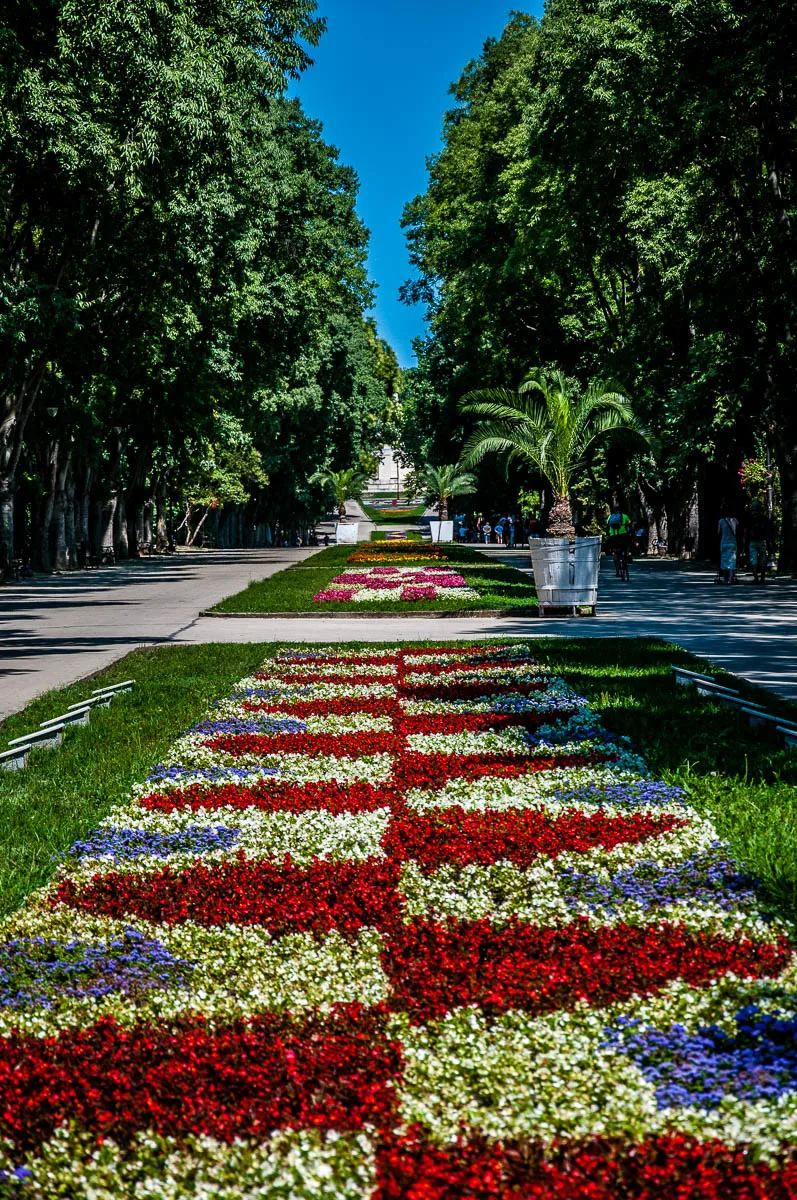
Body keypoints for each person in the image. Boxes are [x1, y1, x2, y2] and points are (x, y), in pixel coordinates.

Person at [746, 500, 773, 584]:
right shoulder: (764, 518)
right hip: (762, 541)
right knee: (762, 560)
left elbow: (746, 531)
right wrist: (769, 543)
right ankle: (762, 578)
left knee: (754, 560)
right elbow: (768, 532)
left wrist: (745, 543)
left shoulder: (749, 518)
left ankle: (755, 577)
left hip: (753, 541)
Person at [606, 504, 632, 579]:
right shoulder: (624, 516)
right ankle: (628, 554)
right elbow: (629, 524)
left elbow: (607, 524)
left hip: (613, 536)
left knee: (615, 552)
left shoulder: (610, 517)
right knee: (628, 543)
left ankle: (617, 570)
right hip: (623, 535)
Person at [717, 508, 739, 584]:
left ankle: (725, 578)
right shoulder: (735, 521)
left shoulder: (721, 521)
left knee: (724, 560)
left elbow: (718, 532)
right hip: (732, 542)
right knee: (732, 561)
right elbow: (737, 532)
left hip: (724, 542)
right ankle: (731, 578)